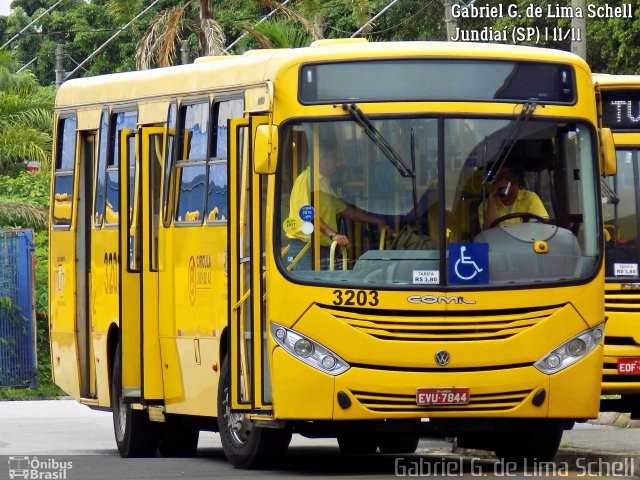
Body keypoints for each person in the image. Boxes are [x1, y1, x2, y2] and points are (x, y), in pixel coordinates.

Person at [286, 145, 391, 270]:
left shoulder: (323, 182)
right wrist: (333, 234)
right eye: (334, 157)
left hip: (323, 247)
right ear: (321, 160)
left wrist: (376, 221)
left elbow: (344, 210)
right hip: (305, 248)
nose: (338, 162)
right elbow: (307, 213)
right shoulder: (306, 179)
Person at [478, 163, 549, 230]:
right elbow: (490, 233)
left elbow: (540, 227)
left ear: (515, 179)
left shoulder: (530, 198)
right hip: (499, 242)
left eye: (503, 176)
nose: (500, 181)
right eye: (497, 177)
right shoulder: (486, 204)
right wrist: (492, 198)